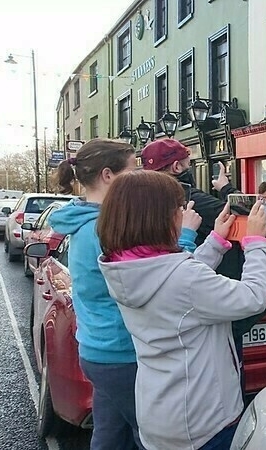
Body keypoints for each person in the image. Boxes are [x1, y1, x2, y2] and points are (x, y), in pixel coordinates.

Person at [97, 170, 266, 450]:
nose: (184, 213)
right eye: (178, 207)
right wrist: (256, 244)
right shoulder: (182, 278)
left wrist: (216, 240)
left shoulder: (124, 265)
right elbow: (252, 297)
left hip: (161, 410)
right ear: (159, 217)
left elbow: (177, 278)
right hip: (201, 421)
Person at [49, 139, 201, 450]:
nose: (138, 176)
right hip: (123, 353)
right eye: (132, 170)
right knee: (153, 436)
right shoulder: (105, 228)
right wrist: (185, 235)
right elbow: (158, 284)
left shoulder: (84, 221)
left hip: (98, 350)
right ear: (108, 175)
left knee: (110, 434)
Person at [141, 138, 266, 399]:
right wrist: (226, 190)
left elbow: (179, 272)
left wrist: (214, 241)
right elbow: (248, 215)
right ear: (177, 166)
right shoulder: (191, 201)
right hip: (214, 304)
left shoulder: (138, 230)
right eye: (188, 161)